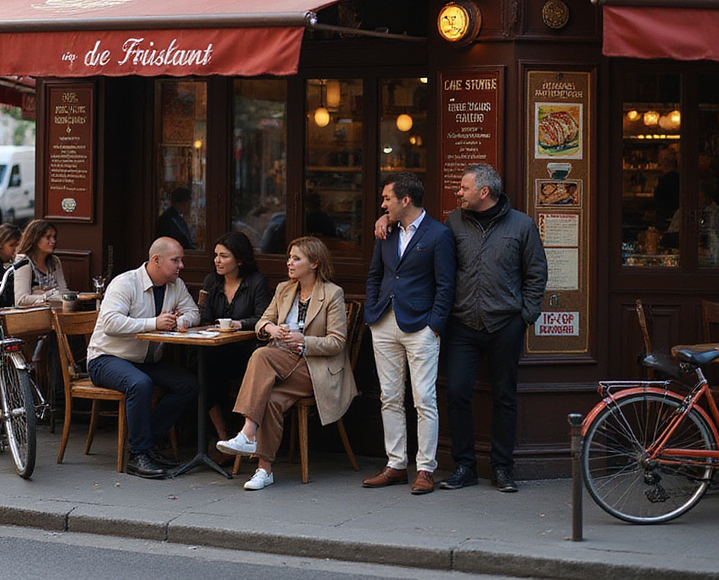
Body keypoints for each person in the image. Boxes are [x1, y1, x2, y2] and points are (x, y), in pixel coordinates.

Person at [441, 164, 548, 494]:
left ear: (483, 192)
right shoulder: (454, 222)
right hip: (462, 324)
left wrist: (525, 316)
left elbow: (536, 273)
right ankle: (465, 467)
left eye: (464, 188)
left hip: (505, 325)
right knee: (457, 391)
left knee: (504, 397)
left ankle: (502, 468)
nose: (459, 193)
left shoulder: (521, 225)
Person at [217, 236, 355, 491]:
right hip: (281, 364)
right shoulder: (284, 289)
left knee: (261, 356)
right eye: (289, 257)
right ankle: (264, 470)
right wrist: (271, 329)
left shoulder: (332, 293)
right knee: (269, 400)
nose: (289, 263)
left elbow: (337, 342)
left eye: (296, 258)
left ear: (314, 263)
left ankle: (247, 433)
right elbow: (261, 322)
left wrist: (305, 342)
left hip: (313, 368)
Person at [363, 171, 455, 495]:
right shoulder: (386, 231)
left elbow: (446, 285)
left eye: (387, 198)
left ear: (405, 200)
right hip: (384, 321)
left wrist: (435, 326)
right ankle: (396, 464)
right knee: (389, 396)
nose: (383, 204)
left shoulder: (438, 234)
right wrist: (371, 312)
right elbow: (376, 274)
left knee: (424, 398)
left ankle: (426, 469)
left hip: (421, 327)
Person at [86, 237, 200, 479]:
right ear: (156, 260)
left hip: (145, 360)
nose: (181, 266)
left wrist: (181, 321)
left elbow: (193, 312)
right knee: (139, 383)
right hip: (106, 359)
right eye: (175, 260)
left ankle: (148, 443)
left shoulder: (175, 285)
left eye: (181, 260)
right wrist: (154, 323)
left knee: (188, 384)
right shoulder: (125, 283)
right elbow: (110, 323)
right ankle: (138, 456)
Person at [199, 232, 271, 446]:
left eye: (224, 256)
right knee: (201, 369)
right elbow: (204, 317)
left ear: (239, 260)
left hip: (246, 351)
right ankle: (223, 437)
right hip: (216, 349)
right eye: (216, 255)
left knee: (209, 371)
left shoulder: (256, 282)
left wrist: (239, 324)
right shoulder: (211, 281)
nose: (217, 261)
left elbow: (263, 317)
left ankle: (239, 437)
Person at [13, 219, 68, 307]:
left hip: (56, 312)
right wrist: (49, 295)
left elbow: (63, 291)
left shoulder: (54, 261)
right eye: (48, 237)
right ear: (35, 239)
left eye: (54, 237)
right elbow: (21, 299)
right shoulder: (24, 262)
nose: (53, 241)